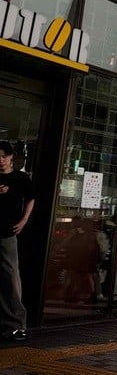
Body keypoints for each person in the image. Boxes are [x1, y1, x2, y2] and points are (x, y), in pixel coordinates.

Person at [0, 140, 34, 342]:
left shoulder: (20, 178)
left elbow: (31, 198)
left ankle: (16, 325)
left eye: (4, 156)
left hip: (7, 233)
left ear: (11, 157)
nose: (1, 160)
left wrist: (24, 220)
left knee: (11, 277)